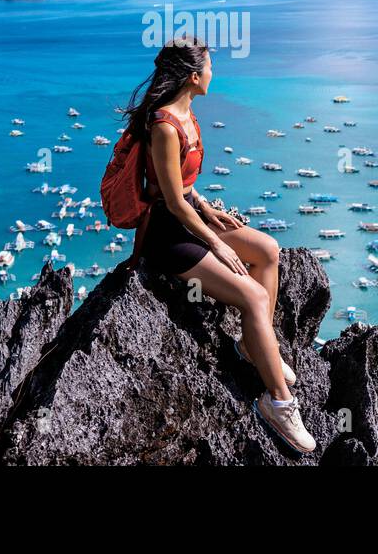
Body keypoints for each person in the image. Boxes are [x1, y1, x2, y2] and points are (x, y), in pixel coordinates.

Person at [119, 34, 316, 453]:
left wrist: (209, 210)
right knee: (252, 298)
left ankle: (254, 345)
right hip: (168, 235)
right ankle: (278, 403)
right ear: (194, 76)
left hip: (192, 217)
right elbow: (170, 201)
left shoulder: (186, 113)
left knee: (268, 252)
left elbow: (186, 188)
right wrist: (217, 242)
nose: (214, 73)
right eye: (210, 66)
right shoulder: (164, 126)